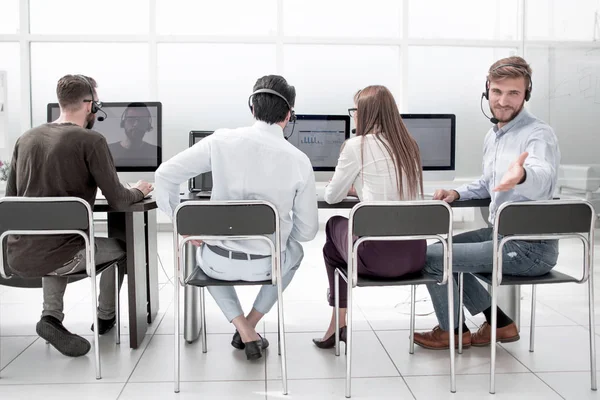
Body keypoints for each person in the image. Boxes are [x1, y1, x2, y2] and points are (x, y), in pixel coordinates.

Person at [154, 75, 318, 361]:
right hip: (269, 266)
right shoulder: (299, 161)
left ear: (252, 108)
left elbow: (165, 175)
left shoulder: (221, 141)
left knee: (202, 252)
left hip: (217, 263)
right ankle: (250, 324)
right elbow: (306, 232)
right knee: (297, 251)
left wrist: (182, 228)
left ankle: (243, 327)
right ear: (289, 115)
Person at [414, 56, 561, 350]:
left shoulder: (537, 134)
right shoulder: (494, 135)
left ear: (525, 94)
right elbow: (487, 182)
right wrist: (457, 193)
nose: (503, 101)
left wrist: (522, 175)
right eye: (497, 92)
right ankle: (500, 324)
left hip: (529, 247)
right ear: (487, 91)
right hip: (501, 235)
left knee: (431, 260)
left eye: (513, 93)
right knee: (434, 250)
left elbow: (543, 178)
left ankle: (452, 332)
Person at [6, 74, 153, 357]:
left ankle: (51, 317)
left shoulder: (25, 138)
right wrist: (139, 189)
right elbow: (119, 200)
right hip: (66, 256)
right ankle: (105, 317)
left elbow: (11, 200)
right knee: (120, 249)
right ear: (90, 106)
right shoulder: (92, 141)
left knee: (55, 237)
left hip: (17, 255)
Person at [313, 85, 427, 348]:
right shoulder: (410, 146)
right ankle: (336, 325)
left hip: (377, 260)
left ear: (365, 113)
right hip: (415, 257)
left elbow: (331, 196)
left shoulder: (357, 146)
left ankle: (339, 322)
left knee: (332, 229)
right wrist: (361, 187)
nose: (354, 115)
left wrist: (351, 187)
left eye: (355, 110)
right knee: (337, 248)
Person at [108, 102, 160, 167]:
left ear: (147, 125)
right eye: (131, 119)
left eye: (142, 120)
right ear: (124, 122)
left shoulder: (156, 151)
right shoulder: (107, 150)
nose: (136, 124)